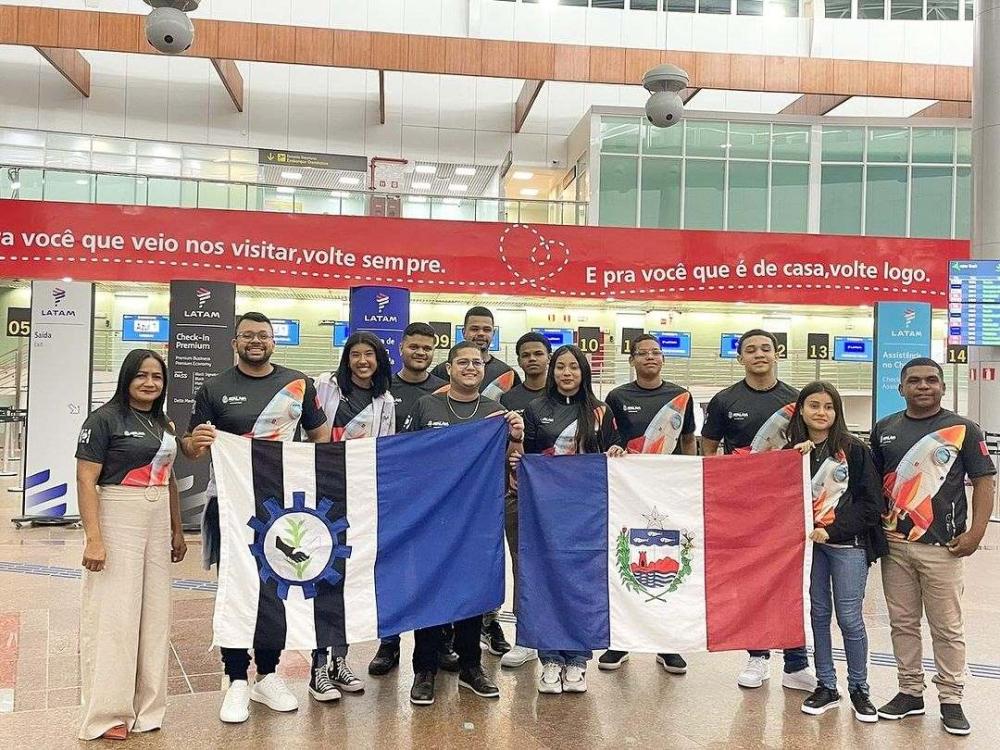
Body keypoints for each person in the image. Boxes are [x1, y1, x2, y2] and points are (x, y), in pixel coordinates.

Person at [180, 312, 330, 724]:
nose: (256, 341)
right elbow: (193, 449)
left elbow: (319, 438)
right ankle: (236, 680)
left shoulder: (299, 383)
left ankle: (267, 674)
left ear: (273, 342)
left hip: (282, 510)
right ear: (235, 342)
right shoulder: (214, 388)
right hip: (230, 507)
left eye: (263, 336)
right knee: (235, 589)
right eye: (248, 335)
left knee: (274, 592)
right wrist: (198, 441)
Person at [870, 358, 996, 736]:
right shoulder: (884, 429)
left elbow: (985, 481)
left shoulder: (962, 429)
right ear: (901, 388)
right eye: (914, 381)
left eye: (930, 380)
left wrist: (976, 533)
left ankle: (951, 698)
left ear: (941, 386)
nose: (923, 386)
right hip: (896, 545)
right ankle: (910, 692)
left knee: (946, 626)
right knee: (903, 623)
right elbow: (875, 483)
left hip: (944, 547)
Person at [405, 341, 525, 706]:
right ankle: (424, 668)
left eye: (477, 362)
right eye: (463, 362)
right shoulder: (427, 405)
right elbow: (405, 453)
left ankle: (472, 666)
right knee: (429, 589)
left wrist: (516, 438)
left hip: (477, 517)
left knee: (473, 591)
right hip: (434, 514)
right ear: (450, 367)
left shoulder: (495, 413)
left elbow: (511, 463)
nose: (471, 367)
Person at [75, 349, 186, 742]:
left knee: (155, 617)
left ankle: (148, 708)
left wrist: (176, 529)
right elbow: (86, 480)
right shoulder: (104, 419)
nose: (150, 383)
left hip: (157, 518)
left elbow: (169, 477)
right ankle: (107, 714)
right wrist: (95, 539)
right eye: (141, 375)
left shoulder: (164, 423)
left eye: (157, 377)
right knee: (115, 618)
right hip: (117, 512)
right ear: (127, 378)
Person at [701, 328, 815, 691]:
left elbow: (811, 443)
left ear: (777, 353)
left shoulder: (797, 400)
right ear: (740, 358)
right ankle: (757, 656)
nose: (759, 354)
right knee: (750, 580)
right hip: (742, 506)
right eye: (750, 350)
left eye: (765, 348)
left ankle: (797, 662)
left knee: (789, 578)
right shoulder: (724, 400)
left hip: (785, 506)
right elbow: (708, 446)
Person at [521, 344, 624, 695]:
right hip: (545, 511)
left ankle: (578, 660)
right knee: (545, 578)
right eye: (561, 367)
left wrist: (615, 451)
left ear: (584, 373)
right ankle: (550, 659)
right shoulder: (536, 408)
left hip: (588, 512)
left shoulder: (599, 411)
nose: (567, 373)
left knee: (584, 581)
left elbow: (614, 449)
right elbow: (528, 458)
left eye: (574, 368)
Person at [785, 382, 886, 723]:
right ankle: (826, 684)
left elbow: (872, 505)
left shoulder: (853, 450)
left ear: (837, 412)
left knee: (849, 619)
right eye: (814, 405)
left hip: (848, 547)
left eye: (828, 407)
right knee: (817, 615)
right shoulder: (794, 451)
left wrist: (833, 530)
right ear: (801, 409)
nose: (821, 412)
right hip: (811, 550)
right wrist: (791, 461)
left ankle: (860, 688)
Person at [597, 333, 697, 675]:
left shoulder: (680, 396)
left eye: (656, 353)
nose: (650, 358)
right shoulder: (617, 396)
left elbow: (687, 441)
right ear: (632, 360)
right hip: (628, 493)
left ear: (663, 360)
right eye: (643, 353)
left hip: (669, 492)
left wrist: (690, 478)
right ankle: (620, 642)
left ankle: (666, 644)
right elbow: (610, 440)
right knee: (623, 560)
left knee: (666, 561)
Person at [305, 331, 397, 699]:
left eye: (369, 355)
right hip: (323, 495)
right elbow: (311, 434)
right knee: (321, 579)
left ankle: (340, 661)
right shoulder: (325, 386)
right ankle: (317, 667)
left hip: (359, 498)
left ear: (379, 360)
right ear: (347, 358)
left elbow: (385, 450)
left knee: (348, 582)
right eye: (356, 354)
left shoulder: (385, 400)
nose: (362, 361)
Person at [430, 306, 520, 655]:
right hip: (444, 495)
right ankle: (440, 639)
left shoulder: (506, 375)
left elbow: (509, 433)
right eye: (474, 328)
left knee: (483, 565)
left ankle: (487, 623)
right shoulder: (439, 379)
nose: (480, 334)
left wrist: (515, 439)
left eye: (487, 329)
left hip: (484, 491)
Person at [368, 322, 455, 677]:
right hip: (392, 495)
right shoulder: (384, 386)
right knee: (391, 570)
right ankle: (388, 643)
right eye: (414, 347)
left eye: (426, 348)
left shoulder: (445, 389)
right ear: (401, 348)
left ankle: (441, 643)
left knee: (437, 571)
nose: (420, 353)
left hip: (436, 499)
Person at [497, 331, 552, 669]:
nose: (532, 359)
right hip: (514, 494)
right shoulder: (507, 398)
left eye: (538, 353)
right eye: (526, 355)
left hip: (553, 497)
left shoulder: (560, 396)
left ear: (548, 357)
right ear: (519, 361)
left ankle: (555, 633)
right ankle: (524, 635)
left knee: (553, 564)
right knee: (520, 563)